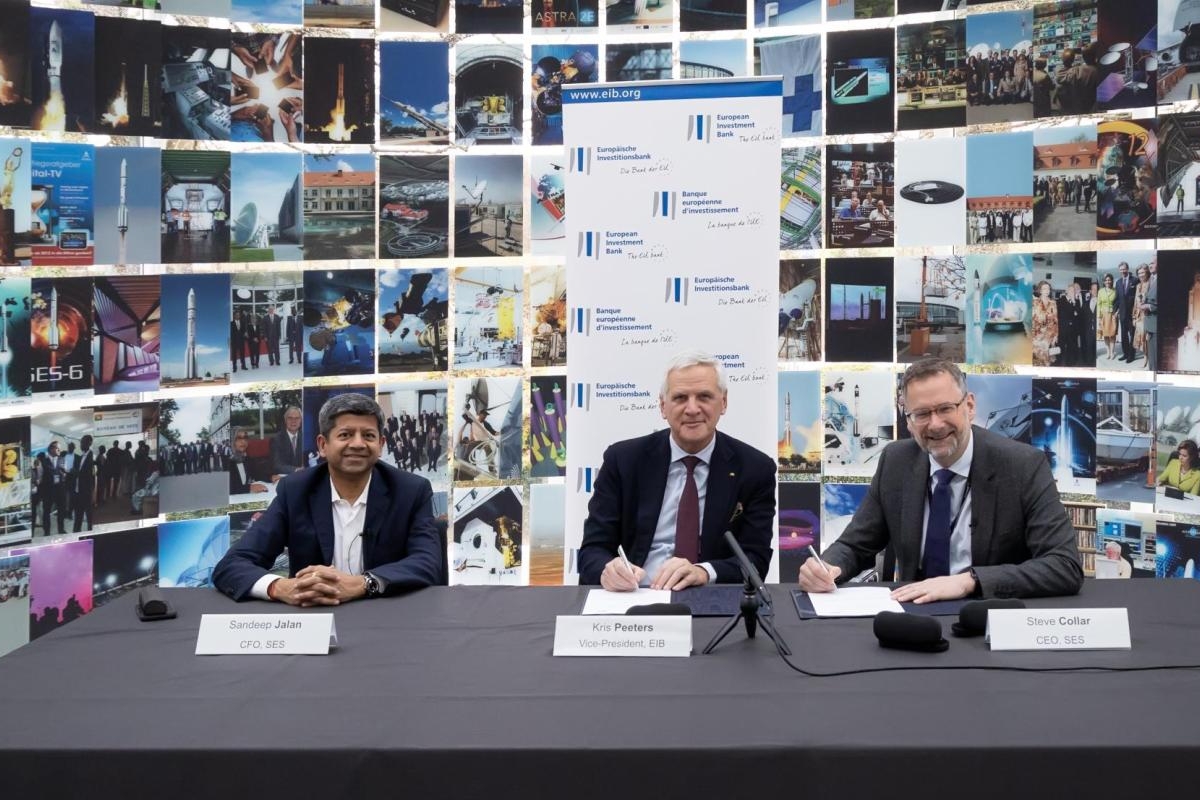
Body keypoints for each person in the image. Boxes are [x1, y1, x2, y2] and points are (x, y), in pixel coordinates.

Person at [799, 358, 1083, 601]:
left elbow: (1064, 566)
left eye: (945, 408)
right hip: (914, 615)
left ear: (969, 406)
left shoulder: (1022, 466)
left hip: (985, 615)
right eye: (922, 414)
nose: (935, 424)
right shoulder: (895, 461)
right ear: (908, 421)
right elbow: (855, 545)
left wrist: (969, 581)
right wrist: (828, 567)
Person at [212, 393, 443, 604]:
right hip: (314, 617)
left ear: (381, 445)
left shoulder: (411, 490)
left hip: (386, 616)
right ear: (323, 445)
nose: (358, 444)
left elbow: (427, 563)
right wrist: (281, 587)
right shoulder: (295, 491)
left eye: (369, 435)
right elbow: (232, 565)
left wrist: (364, 583)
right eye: (345, 434)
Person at [579, 350, 776, 591]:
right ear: (663, 406)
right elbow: (592, 551)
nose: (692, 409)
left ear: (723, 402)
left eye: (704, 396)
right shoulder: (623, 460)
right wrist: (607, 570)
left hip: (710, 596)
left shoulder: (754, 469)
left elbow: (755, 561)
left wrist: (704, 571)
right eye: (680, 398)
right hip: (635, 595)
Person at [228, 428, 270, 496]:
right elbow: (228, 488)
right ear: (232, 441)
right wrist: (249, 488)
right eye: (239, 438)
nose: (243, 441)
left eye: (245, 438)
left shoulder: (247, 459)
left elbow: (257, 475)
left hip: (244, 498)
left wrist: (271, 477)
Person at [270, 406, 305, 476]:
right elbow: (277, 465)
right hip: (285, 477)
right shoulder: (276, 439)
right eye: (290, 418)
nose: (293, 421)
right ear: (285, 420)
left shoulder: (306, 438)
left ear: (301, 421)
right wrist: (296, 470)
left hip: (304, 476)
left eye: (297, 418)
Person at [1115, 261, 1139, 362]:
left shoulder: (1135, 280)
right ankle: (1125, 354)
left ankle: (1131, 355)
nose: (1123, 271)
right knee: (1124, 335)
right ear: (1119, 270)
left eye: (1124, 269)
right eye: (1121, 269)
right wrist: (1114, 311)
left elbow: (1138, 295)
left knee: (1132, 335)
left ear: (1127, 269)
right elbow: (1118, 298)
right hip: (1123, 314)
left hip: (1132, 313)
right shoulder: (1118, 282)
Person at [1032, 280, 1059, 367]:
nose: (1047, 290)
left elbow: (1055, 320)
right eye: (1044, 288)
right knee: (1037, 360)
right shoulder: (1035, 302)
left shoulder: (1053, 303)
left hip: (1048, 336)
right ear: (1040, 290)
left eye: (1048, 288)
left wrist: (1055, 335)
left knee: (1047, 360)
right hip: (1036, 336)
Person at [1139, 261, 1157, 370]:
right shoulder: (1152, 279)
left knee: (1155, 355)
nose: (1151, 265)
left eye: (1153, 263)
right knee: (1152, 355)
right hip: (1148, 320)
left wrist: (1148, 306)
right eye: (1150, 263)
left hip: (1154, 322)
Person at [1098, 273, 1117, 360]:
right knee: (1105, 335)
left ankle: (1112, 352)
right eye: (1106, 280)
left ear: (1111, 281)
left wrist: (1117, 312)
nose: (1108, 281)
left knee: (1112, 334)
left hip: (1112, 315)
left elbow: (1118, 303)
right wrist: (1099, 317)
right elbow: (1099, 304)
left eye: (1109, 280)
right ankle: (1108, 352)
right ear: (1104, 281)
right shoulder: (1100, 291)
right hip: (1104, 315)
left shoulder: (1115, 290)